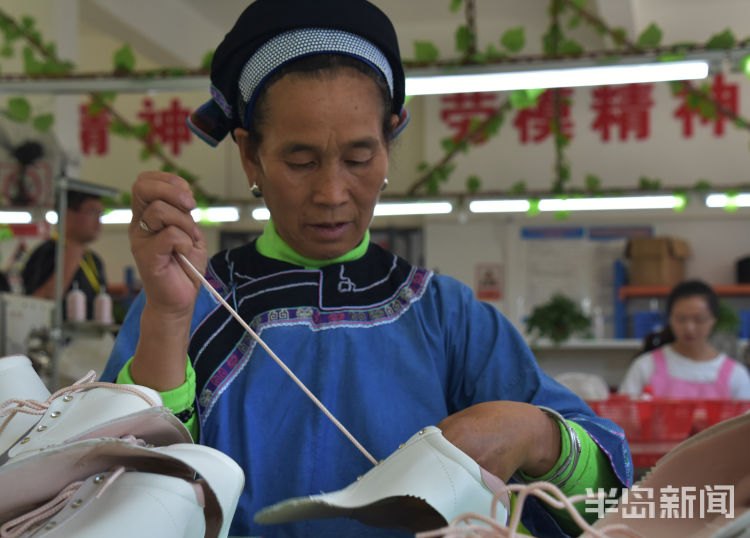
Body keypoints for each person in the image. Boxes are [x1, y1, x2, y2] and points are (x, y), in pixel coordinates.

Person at [101, 1, 632, 536]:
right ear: (250, 156)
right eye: (301, 161)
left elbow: (612, 503)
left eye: (359, 158)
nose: (332, 193)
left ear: (390, 140)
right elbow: (112, 498)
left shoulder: (448, 320)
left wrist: (537, 433)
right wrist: (169, 320)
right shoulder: (189, 300)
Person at [619, 279, 750, 399]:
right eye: (681, 319)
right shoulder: (645, 366)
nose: (689, 328)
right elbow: (621, 417)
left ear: (713, 320)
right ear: (670, 319)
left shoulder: (736, 375)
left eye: (699, 319)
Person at [22, 189, 106, 320]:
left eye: (101, 214)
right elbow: (36, 305)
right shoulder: (47, 254)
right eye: (92, 212)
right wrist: (72, 254)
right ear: (67, 213)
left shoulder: (94, 260)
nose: (98, 221)